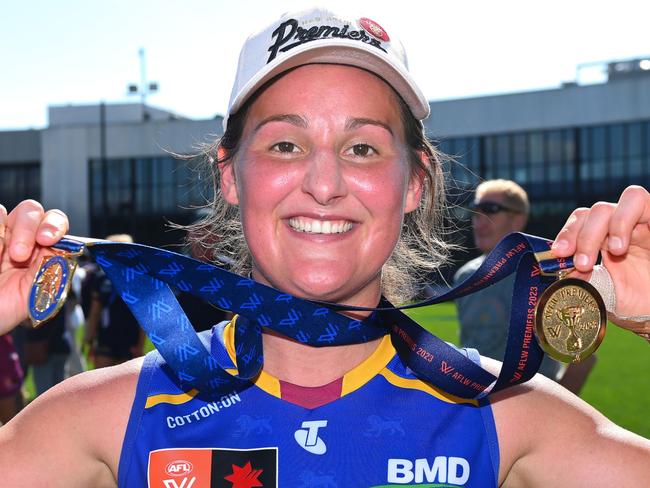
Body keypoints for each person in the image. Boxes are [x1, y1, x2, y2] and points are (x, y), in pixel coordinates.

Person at [0, 7, 649, 486]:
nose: (324, 183)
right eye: (286, 144)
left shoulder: (506, 417)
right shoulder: (104, 418)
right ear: (230, 175)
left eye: (363, 147)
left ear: (414, 184)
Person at [454, 179, 596, 393]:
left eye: (490, 210)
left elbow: (583, 357)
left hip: (534, 412)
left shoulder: (547, 274)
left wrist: (552, 410)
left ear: (518, 220)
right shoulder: (464, 276)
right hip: (479, 410)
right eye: (475, 211)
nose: (478, 221)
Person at [84, 234, 145, 368]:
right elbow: (143, 317)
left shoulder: (101, 278)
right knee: (127, 387)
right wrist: (140, 345)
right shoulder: (137, 278)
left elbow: (94, 313)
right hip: (129, 339)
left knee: (103, 384)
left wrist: (88, 340)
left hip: (108, 339)